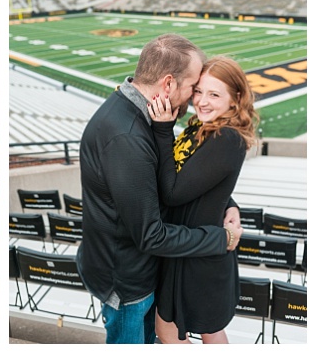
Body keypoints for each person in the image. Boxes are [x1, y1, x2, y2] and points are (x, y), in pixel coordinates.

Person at [76, 34, 243, 344]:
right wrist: (222, 238)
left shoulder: (138, 113)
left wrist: (228, 202)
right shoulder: (128, 137)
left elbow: (192, 173)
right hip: (128, 280)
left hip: (138, 265)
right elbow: (151, 233)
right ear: (168, 84)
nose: (196, 99)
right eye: (194, 88)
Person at [149, 56, 258, 343]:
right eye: (199, 91)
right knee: (209, 330)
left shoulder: (226, 138)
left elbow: (174, 192)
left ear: (235, 99)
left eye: (214, 94)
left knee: (169, 329)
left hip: (199, 252)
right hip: (192, 243)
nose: (202, 101)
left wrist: (162, 131)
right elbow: (205, 179)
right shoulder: (202, 125)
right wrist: (231, 203)